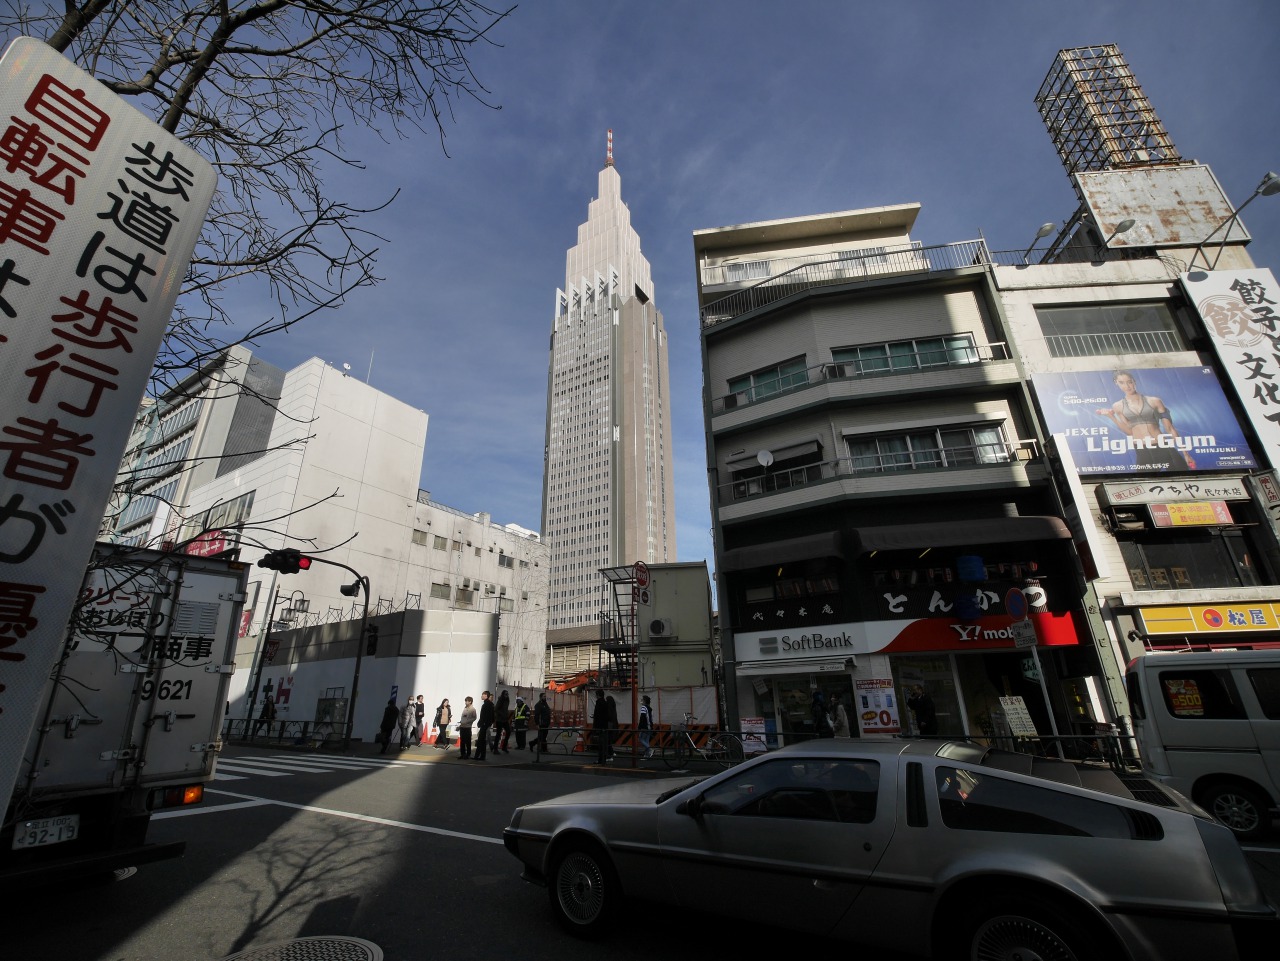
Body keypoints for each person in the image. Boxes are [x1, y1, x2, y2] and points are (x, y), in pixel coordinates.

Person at [1094, 369, 1191, 472]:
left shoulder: (1154, 401)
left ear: (1134, 381)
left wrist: (1186, 453)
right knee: (1146, 482)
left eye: (1129, 382)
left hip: (1163, 447)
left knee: (1182, 476)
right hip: (1142, 450)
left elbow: (1170, 428)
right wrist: (1111, 417)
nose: (1127, 386)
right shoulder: (1118, 406)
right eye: (1121, 383)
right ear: (1116, 383)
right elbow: (1129, 432)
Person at [474, 690, 494, 761]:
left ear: (486, 696)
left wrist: (482, 723)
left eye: (483, 695)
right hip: (485, 724)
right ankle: (481, 756)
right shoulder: (490, 704)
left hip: (484, 724)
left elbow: (484, 716)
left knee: (481, 741)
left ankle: (478, 756)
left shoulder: (486, 704)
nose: (481, 696)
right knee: (482, 741)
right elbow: (492, 716)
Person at [591, 689, 610, 764]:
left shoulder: (599, 703)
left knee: (601, 744)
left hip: (600, 726)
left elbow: (597, 715)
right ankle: (603, 759)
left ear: (598, 695)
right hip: (605, 726)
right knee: (604, 744)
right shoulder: (605, 703)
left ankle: (600, 760)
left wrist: (595, 726)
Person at [637, 694, 654, 759]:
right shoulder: (650, 709)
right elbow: (651, 718)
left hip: (645, 726)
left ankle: (650, 750)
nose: (641, 701)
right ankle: (647, 755)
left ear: (644, 701)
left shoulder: (643, 707)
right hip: (650, 726)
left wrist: (639, 727)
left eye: (642, 700)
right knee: (646, 741)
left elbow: (642, 717)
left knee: (640, 739)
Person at [605, 693, 619, 760]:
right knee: (609, 741)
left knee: (607, 741)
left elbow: (608, 717)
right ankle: (612, 752)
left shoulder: (609, 708)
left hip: (609, 726)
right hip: (613, 726)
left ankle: (610, 755)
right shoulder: (613, 708)